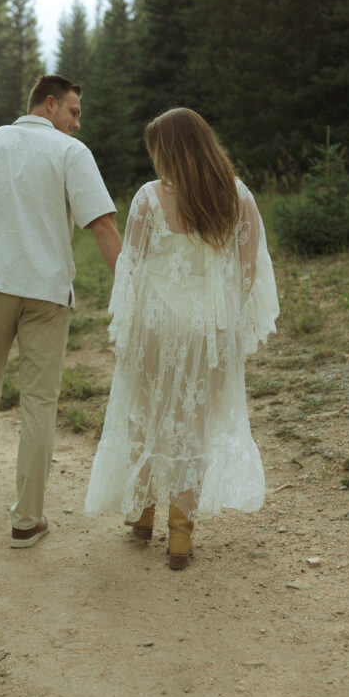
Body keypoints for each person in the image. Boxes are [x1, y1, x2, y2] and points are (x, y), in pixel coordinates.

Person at [84, 107, 279, 569]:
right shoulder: (238, 195)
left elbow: (130, 268)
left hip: (157, 323)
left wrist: (127, 323)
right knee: (193, 422)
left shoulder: (149, 198)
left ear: (168, 150)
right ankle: (180, 535)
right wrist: (222, 315)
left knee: (144, 410)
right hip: (211, 328)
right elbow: (250, 271)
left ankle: (142, 513)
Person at [0, 74, 122, 548]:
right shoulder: (70, 153)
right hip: (45, 290)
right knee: (40, 400)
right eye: (74, 112)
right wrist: (130, 289)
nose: (77, 124)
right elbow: (102, 224)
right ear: (49, 104)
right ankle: (27, 520)